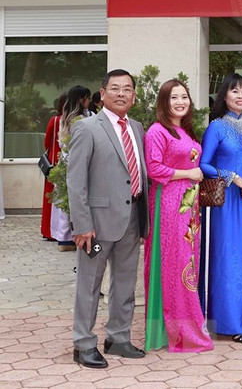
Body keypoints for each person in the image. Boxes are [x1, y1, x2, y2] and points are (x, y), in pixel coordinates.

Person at [68, 69, 149, 368]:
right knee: (89, 284)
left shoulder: (137, 127)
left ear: (134, 96)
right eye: (115, 88)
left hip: (132, 217)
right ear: (102, 94)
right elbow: (76, 181)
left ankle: (118, 337)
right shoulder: (87, 128)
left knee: (125, 283)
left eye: (127, 89)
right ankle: (83, 343)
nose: (121, 93)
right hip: (97, 223)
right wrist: (82, 225)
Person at [143, 79, 213, 353]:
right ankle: (176, 330)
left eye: (184, 97)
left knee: (188, 265)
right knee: (175, 264)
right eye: (174, 97)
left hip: (189, 208)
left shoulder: (184, 131)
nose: (180, 102)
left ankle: (185, 325)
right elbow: (153, 168)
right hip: (169, 206)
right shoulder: (157, 131)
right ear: (164, 102)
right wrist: (188, 174)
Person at [200, 73, 242, 344]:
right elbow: (204, 164)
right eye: (234, 91)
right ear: (224, 95)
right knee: (226, 257)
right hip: (224, 203)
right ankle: (225, 321)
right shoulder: (216, 127)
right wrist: (233, 177)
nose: (240, 96)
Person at [53, 86, 94, 251]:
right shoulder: (84, 119)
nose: (89, 101)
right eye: (87, 98)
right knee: (76, 201)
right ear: (82, 99)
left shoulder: (65, 118)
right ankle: (73, 238)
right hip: (77, 161)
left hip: (64, 161)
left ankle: (64, 239)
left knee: (64, 202)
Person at [40, 92, 66, 242]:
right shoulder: (74, 120)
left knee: (50, 197)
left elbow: (47, 142)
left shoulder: (55, 120)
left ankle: (48, 230)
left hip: (53, 161)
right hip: (65, 162)